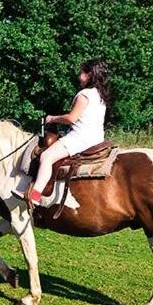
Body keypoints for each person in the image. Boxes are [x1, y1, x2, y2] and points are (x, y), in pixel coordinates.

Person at [25, 59, 110, 208]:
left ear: (89, 74)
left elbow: (71, 118)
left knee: (46, 156)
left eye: (82, 73)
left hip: (80, 138)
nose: (79, 76)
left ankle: (35, 195)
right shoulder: (100, 95)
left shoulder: (84, 95)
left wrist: (53, 118)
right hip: (96, 139)